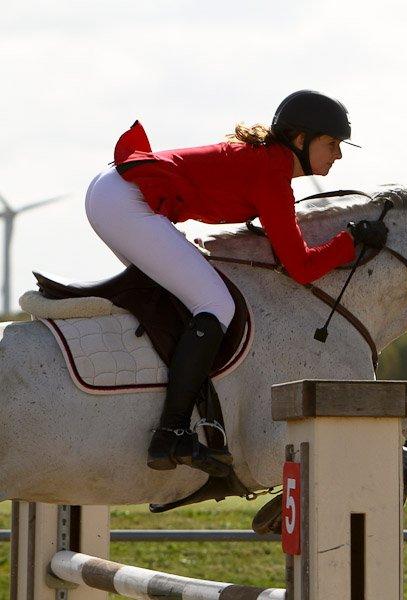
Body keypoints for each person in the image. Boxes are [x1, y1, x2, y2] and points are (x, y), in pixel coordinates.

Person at [84, 90, 388, 477]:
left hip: (113, 191)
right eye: (331, 144)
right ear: (300, 140)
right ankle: (171, 432)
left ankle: (174, 416)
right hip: (125, 200)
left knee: (184, 300)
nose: (338, 155)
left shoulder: (268, 163)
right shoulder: (272, 173)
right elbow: (302, 268)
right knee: (216, 304)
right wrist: (351, 241)